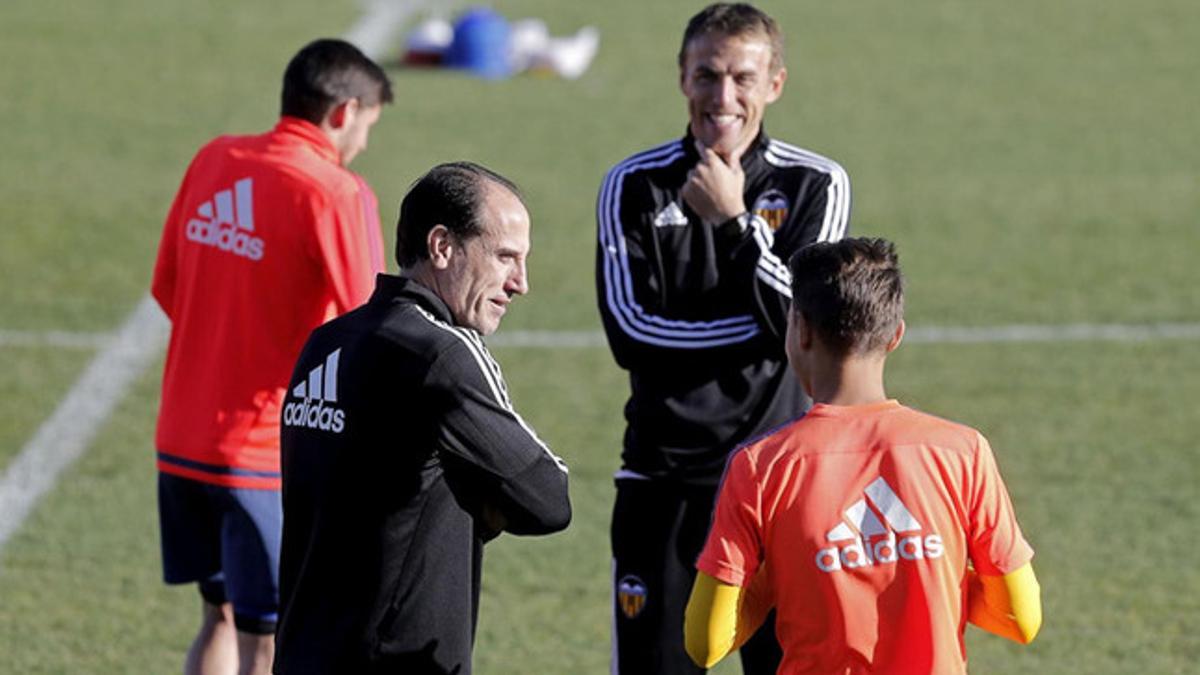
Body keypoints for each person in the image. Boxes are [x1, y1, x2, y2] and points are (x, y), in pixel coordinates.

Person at [594, 4, 850, 673]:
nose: (723, 96)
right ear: (681, 77)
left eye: (743, 76)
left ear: (776, 84)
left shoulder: (814, 183)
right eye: (707, 75)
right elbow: (632, 333)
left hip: (784, 488)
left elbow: (809, 323)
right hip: (665, 482)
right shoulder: (634, 186)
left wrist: (736, 223)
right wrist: (769, 330)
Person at [685, 238, 1042, 673]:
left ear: (799, 330)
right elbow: (1022, 619)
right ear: (895, 335)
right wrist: (936, 575)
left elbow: (704, 643)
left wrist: (782, 579)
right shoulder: (962, 452)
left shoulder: (761, 467)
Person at [150, 38, 392, 675]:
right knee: (272, 643)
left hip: (181, 438)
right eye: (368, 125)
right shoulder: (336, 192)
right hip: (261, 457)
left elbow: (167, 287)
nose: (364, 143)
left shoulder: (214, 159)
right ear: (343, 113)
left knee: (220, 616)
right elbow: (375, 329)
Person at [273, 162, 572, 675]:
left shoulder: (327, 343)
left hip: (303, 654)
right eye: (505, 257)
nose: (520, 282)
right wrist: (483, 499)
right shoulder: (443, 353)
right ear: (441, 246)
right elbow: (548, 498)